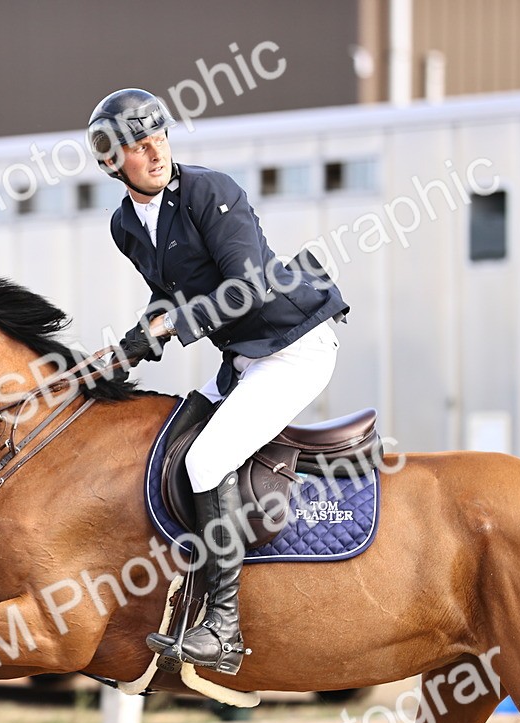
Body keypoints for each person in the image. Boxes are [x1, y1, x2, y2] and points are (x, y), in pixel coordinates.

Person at [88, 88, 349, 676]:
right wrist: (125, 348)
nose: (154, 151)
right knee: (166, 445)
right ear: (111, 161)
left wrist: (159, 333)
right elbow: (168, 298)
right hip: (243, 359)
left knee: (206, 462)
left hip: (293, 346)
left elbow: (246, 287)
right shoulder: (125, 224)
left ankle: (224, 629)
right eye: (136, 143)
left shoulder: (210, 190)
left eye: (158, 135)